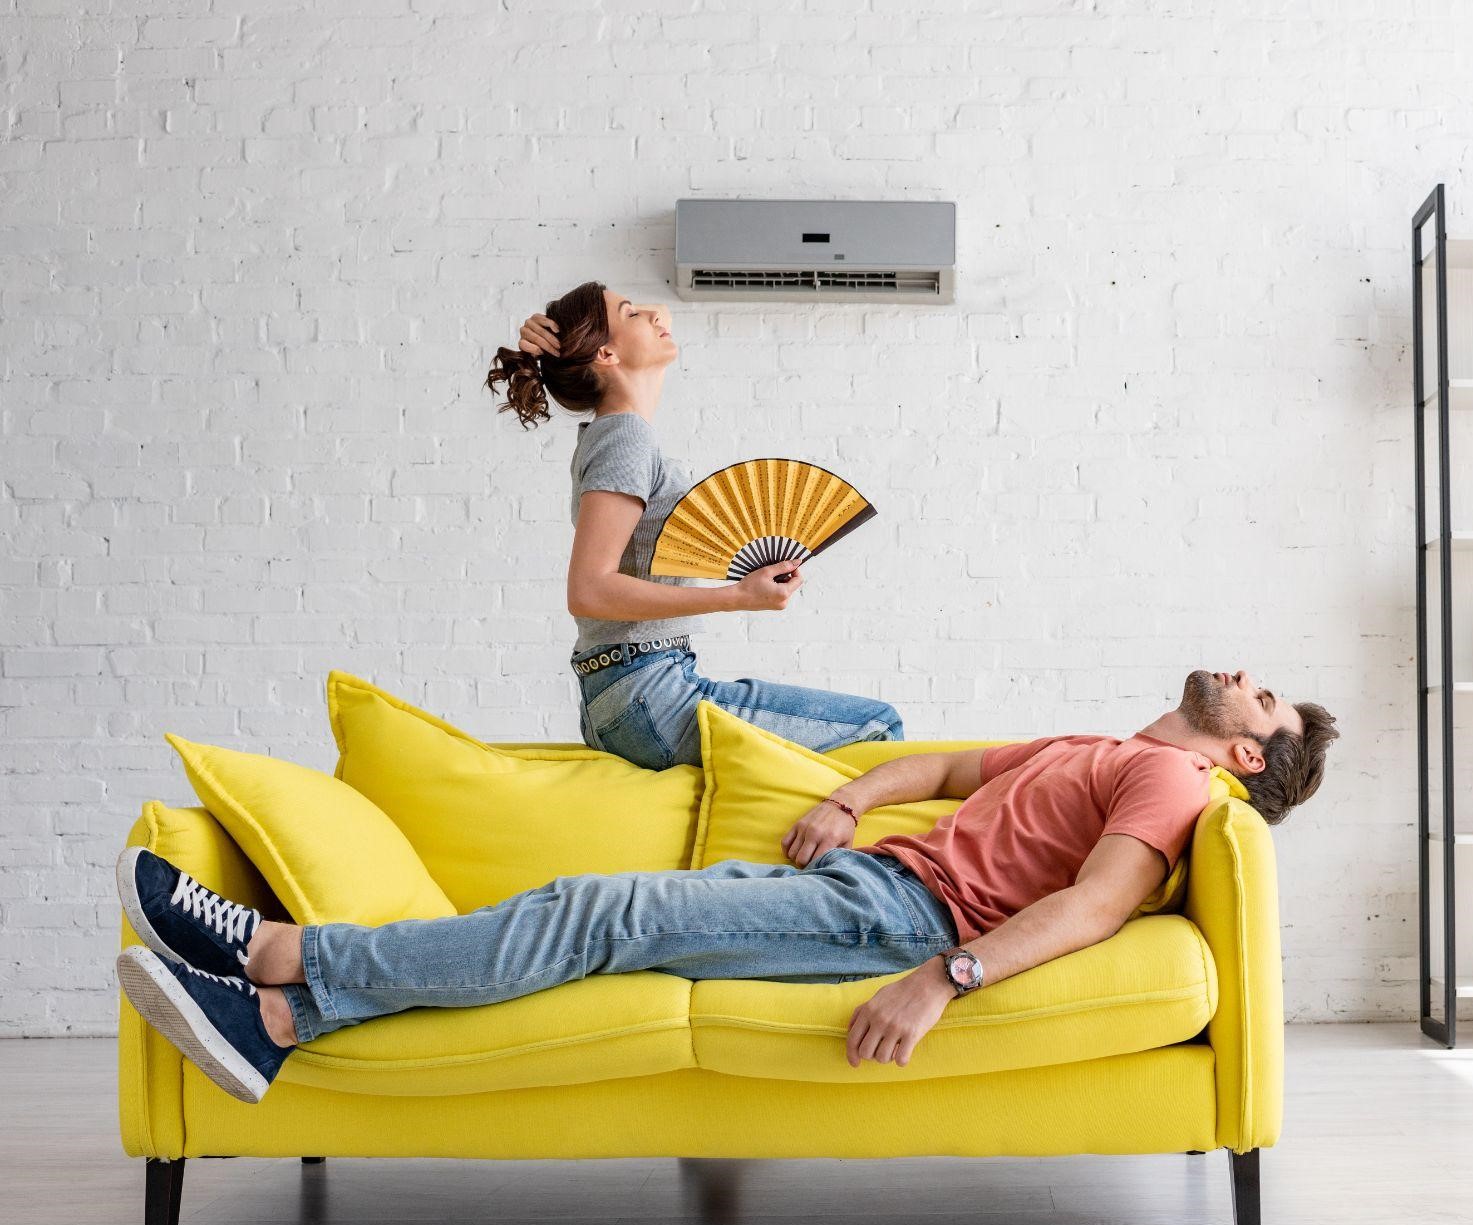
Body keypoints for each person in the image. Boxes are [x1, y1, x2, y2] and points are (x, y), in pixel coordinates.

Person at [115, 670, 1339, 1104]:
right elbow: (948, 762)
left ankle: (285, 959)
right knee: (593, 926)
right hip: (865, 873)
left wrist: (941, 976)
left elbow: (1093, 907)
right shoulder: (1101, 748)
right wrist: (849, 795)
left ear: (1245, 754)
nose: (1243, 674)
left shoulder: (1179, 794)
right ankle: (279, 1023)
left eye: (1264, 696)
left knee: (597, 910)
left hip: (892, 920)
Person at [483, 280, 902, 770]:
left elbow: (654, 316)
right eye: (632, 313)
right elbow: (590, 590)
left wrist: (566, 326)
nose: (657, 316)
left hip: (633, 687)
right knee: (878, 726)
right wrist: (737, 598)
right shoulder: (625, 437)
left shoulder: (618, 432)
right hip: (648, 689)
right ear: (606, 353)